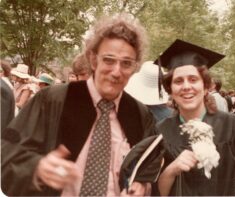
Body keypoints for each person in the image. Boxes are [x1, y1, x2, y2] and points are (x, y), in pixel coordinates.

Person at [1, 13, 157, 196]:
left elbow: (148, 170)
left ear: (135, 68)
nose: (117, 71)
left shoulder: (139, 115)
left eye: (126, 63)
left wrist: (142, 187)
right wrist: (37, 167)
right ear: (93, 59)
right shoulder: (53, 100)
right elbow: (6, 155)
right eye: (108, 60)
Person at [154, 39, 235, 196]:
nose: (186, 86)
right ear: (171, 91)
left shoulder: (234, 126)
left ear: (205, 87)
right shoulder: (160, 132)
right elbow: (154, 192)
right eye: (178, 81)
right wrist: (172, 169)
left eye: (193, 79)